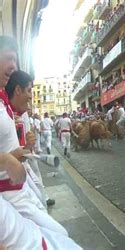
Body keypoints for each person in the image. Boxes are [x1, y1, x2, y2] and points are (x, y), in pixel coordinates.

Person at [0, 36, 68, 236]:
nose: (13, 66)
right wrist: (8, 159)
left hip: (20, 187)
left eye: (15, 60)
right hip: (9, 192)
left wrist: (21, 150)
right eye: (9, 58)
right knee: (59, 236)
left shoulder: (3, 102)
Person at [0, 153, 82, 250]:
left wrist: (8, 160)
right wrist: (11, 158)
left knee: (59, 230)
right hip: (12, 195)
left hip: (35, 235)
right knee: (61, 232)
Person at [6, 70, 55, 207]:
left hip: (26, 159)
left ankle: (43, 198)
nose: (30, 96)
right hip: (13, 177)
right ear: (17, 90)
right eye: (28, 91)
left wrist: (30, 145)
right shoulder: (6, 113)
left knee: (39, 190)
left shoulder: (22, 113)